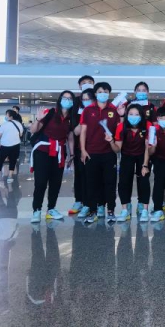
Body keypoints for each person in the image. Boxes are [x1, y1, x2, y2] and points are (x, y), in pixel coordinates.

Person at [28, 92, 75, 223]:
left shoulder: (71, 118)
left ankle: (51, 209)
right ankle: (37, 210)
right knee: (41, 182)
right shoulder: (51, 113)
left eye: (70, 98)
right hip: (43, 151)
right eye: (65, 98)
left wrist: (71, 155)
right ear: (60, 99)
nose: (67, 100)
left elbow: (70, 138)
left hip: (59, 153)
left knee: (56, 183)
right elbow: (33, 130)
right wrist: (38, 119)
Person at [79, 82, 120, 223]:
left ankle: (111, 211)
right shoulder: (88, 110)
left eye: (106, 91)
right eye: (100, 91)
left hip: (109, 153)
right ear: (95, 93)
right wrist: (83, 150)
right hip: (91, 153)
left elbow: (119, 131)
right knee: (92, 183)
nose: (103, 94)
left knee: (110, 183)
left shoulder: (114, 110)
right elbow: (83, 132)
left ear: (109, 94)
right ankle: (93, 211)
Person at [110, 104, 152, 222]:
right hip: (127, 156)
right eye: (131, 114)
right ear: (127, 115)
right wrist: (111, 141)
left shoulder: (147, 125)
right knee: (124, 182)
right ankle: (125, 209)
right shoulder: (121, 127)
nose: (133, 117)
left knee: (144, 180)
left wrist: (145, 165)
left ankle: (144, 208)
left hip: (142, 155)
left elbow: (147, 147)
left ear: (141, 116)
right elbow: (117, 149)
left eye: (136, 114)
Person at [69, 75, 95, 215]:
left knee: (93, 176)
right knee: (80, 175)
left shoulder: (98, 101)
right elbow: (74, 130)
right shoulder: (76, 103)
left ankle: (92, 203)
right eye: (84, 83)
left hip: (96, 146)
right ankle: (79, 200)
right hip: (80, 146)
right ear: (79, 86)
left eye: (90, 82)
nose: (87, 84)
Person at [0, 110, 23, 182]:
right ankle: (10, 176)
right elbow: (21, 134)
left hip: (5, 145)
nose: (6, 116)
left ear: (10, 116)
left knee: (0, 160)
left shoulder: (4, 124)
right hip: (16, 145)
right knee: (13, 160)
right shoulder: (19, 124)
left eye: (6, 115)